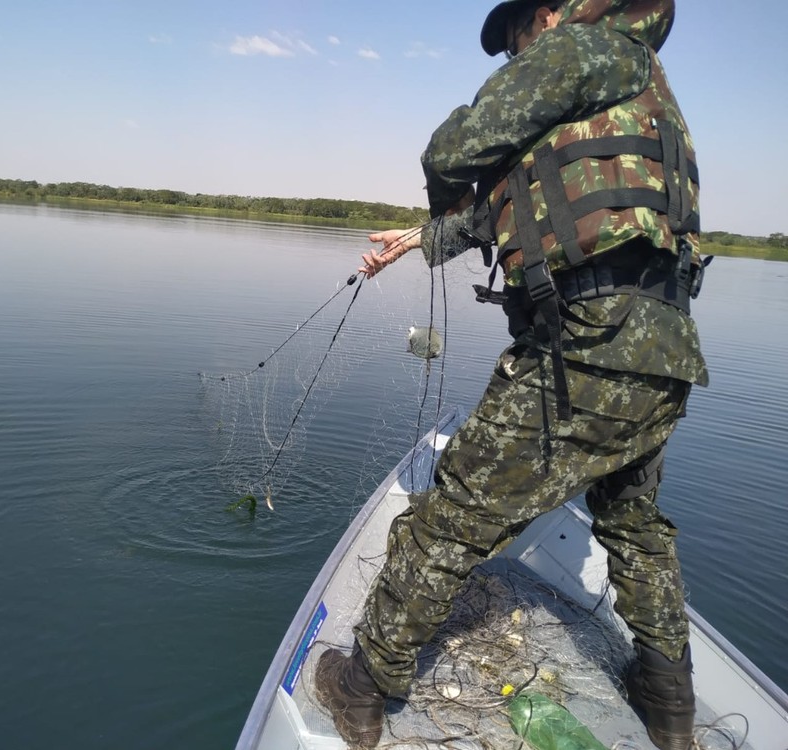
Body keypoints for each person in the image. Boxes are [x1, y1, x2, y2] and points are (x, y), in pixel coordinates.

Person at [313, 2, 708, 750]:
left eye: (517, 38)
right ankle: (669, 705)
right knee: (632, 523)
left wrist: (446, 188)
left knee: (453, 514)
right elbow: (506, 208)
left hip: (583, 347)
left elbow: (452, 151)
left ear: (550, 14)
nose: (513, 57)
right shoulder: (641, 97)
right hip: (662, 351)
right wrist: (420, 238)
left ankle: (362, 690)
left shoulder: (586, 49)